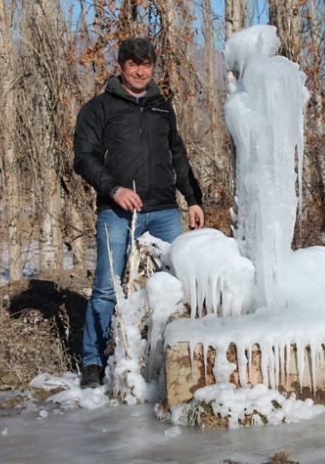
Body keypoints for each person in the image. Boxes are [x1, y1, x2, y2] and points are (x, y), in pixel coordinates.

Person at [74, 37, 204, 388]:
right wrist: (114, 189)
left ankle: (170, 358)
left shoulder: (162, 106)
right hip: (117, 213)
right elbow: (83, 158)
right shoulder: (98, 108)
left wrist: (192, 199)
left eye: (146, 64)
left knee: (177, 284)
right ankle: (92, 362)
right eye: (133, 64)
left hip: (163, 210)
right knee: (106, 287)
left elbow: (177, 155)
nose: (140, 70)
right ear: (120, 67)